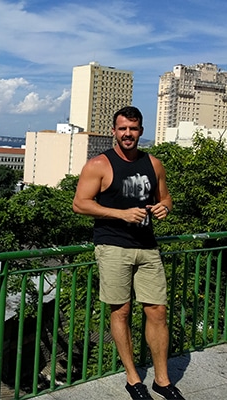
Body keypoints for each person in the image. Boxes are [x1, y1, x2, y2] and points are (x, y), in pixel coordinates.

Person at [73, 106, 184, 400]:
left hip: (147, 246)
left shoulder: (154, 163)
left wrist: (165, 207)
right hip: (112, 246)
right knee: (120, 311)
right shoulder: (98, 164)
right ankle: (133, 378)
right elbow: (80, 204)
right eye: (122, 128)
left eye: (133, 129)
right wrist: (120, 214)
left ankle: (162, 380)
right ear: (114, 131)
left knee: (157, 311)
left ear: (141, 132)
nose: (127, 134)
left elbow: (166, 196)